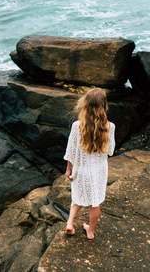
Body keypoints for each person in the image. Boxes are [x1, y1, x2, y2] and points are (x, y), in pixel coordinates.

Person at [63, 87, 115, 240]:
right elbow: (110, 150)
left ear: (85, 104)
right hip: (98, 171)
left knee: (77, 195)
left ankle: (70, 223)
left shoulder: (76, 126)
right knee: (95, 203)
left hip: (81, 169)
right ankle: (90, 231)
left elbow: (70, 151)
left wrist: (69, 169)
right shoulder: (109, 127)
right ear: (104, 105)